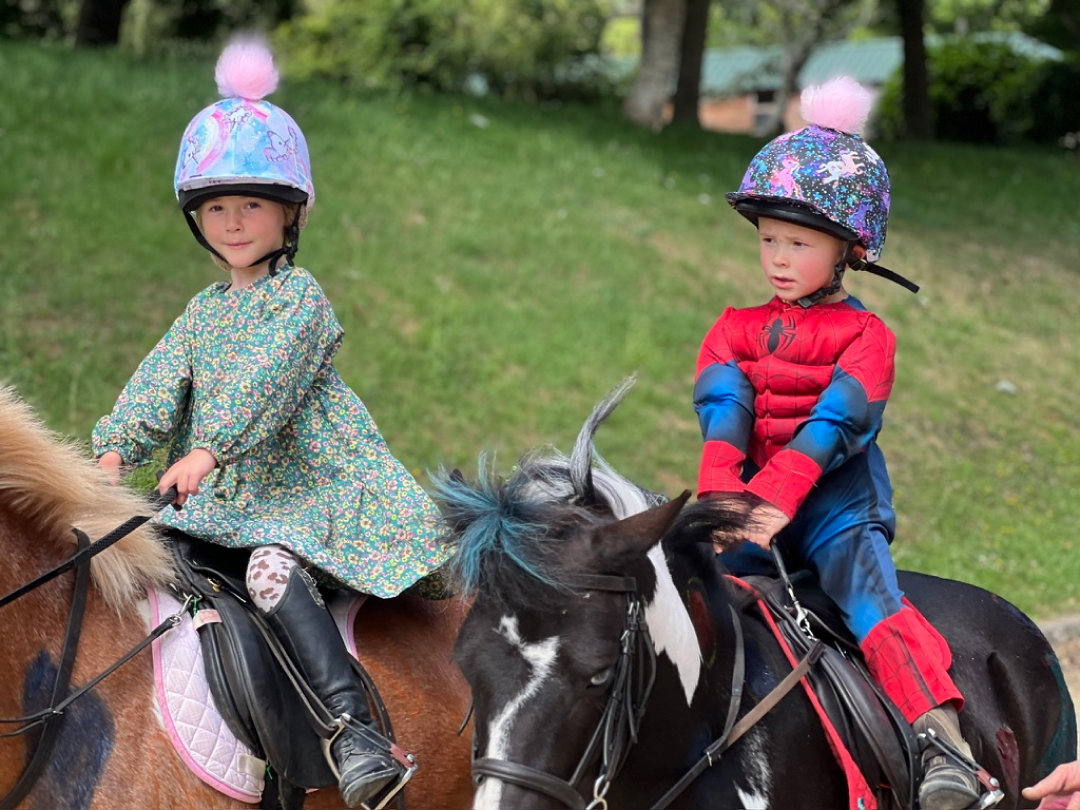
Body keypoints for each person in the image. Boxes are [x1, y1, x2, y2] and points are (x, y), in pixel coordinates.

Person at [93, 37, 448, 809]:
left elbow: (271, 382)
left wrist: (209, 450)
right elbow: (159, 379)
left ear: (291, 212)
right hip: (222, 497)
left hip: (302, 493)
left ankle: (353, 728)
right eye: (215, 207)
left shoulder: (301, 301)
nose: (231, 221)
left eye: (250, 204)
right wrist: (118, 445)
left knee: (270, 572)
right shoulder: (203, 311)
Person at [693, 76, 982, 810]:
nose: (778, 258)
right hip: (751, 501)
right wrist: (724, 500)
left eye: (799, 242)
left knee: (869, 597)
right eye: (768, 240)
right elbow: (723, 414)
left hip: (836, 508)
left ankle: (939, 738)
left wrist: (776, 502)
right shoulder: (733, 329)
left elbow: (832, 430)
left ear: (849, 249)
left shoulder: (868, 337)